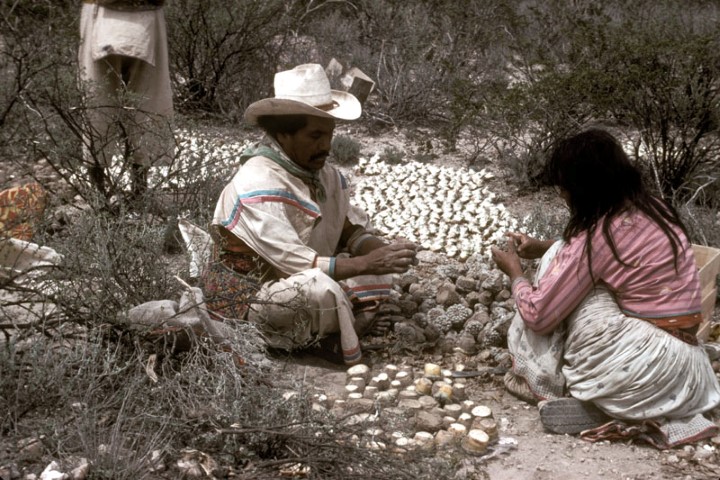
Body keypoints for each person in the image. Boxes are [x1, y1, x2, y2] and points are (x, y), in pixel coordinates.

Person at [491, 128, 720, 447]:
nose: (563, 196)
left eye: (566, 188)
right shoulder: (655, 208)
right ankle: (625, 406)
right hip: (690, 374)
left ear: (583, 189)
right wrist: (546, 246)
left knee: (573, 285)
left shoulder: (596, 238)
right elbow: (607, 255)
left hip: (645, 367)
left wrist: (515, 272)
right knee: (563, 255)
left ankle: (595, 398)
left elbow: (538, 315)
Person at [202, 64, 417, 365]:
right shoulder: (256, 184)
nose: (326, 146)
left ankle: (338, 319)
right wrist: (367, 262)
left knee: (370, 272)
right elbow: (297, 264)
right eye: (315, 136)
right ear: (283, 135)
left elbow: (347, 232)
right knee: (320, 291)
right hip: (256, 297)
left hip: (305, 276)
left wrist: (383, 253)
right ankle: (331, 336)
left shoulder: (323, 174)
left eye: (329, 135)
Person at [78, 0, 174, 198]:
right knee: (97, 100)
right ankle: (98, 192)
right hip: (101, 11)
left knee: (147, 101)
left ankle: (138, 190)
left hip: (147, 12)